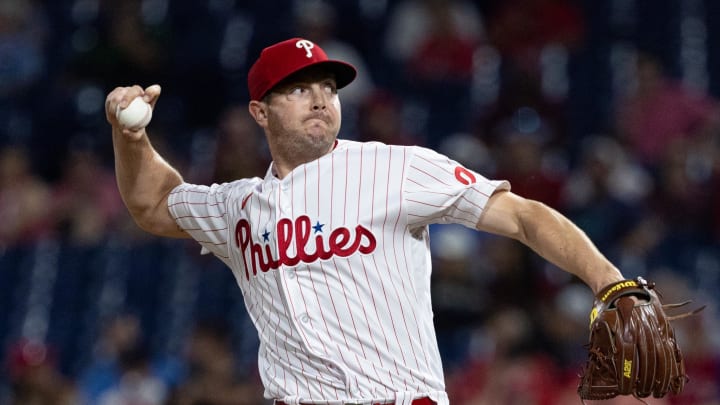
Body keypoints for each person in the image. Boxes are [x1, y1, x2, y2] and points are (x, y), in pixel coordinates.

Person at [105, 37, 626, 404]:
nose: (319, 98)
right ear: (260, 112)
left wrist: (609, 283)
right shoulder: (237, 206)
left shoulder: (396, 168)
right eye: (298, 88)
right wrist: (131, 140)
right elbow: (153, 204)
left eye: (328, 87)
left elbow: (524, 217)